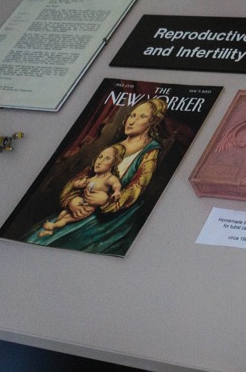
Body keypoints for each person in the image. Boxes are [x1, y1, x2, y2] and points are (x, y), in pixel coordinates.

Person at [26, 97, 169, 254]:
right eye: (132, 115)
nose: (132, 121)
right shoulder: (115, 147)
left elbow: (137, 188)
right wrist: (71, 199)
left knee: (52, 243)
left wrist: (106, 201)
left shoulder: (150, 151)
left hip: (114, 217)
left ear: (152, 121)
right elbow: (84, 176)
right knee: (35, 238)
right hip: (83, 206)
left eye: (142, 116)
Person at [37, 144, 124, 237]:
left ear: (113, 164)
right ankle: (51, 231)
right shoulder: (92, 178)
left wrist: (117, 191)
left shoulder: (109, 178)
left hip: (86, 208)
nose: (99, 162)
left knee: (66, 219)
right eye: (100, 157)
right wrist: (78, 184)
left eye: (107, 159)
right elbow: (78, 185)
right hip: (81, 202)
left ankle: (52, 226)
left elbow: (116, 184)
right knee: (63, 213)